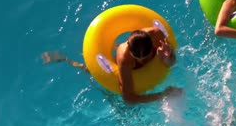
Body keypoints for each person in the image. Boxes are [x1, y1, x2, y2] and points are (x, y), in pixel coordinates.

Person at [42, 27, 182, 104]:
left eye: (146, 57)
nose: (142, 62)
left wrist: (168, 58)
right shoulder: (124, 59)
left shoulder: (157, 35)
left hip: (138, 47)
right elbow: (128, 98)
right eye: (138, 59)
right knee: (91, 72)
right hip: (122, 69)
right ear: (130, 51)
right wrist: (162, 95)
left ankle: (112, 43)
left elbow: (172, 63)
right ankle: (66, 59)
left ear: (152, 44)